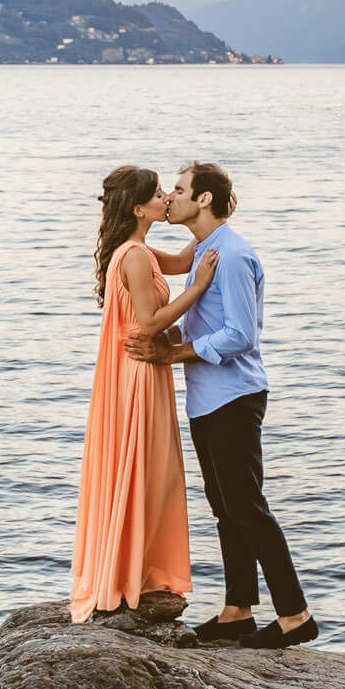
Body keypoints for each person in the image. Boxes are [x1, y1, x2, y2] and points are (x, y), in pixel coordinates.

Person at [126, 161, 316, 648]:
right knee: (225, 508)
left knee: (248, 508)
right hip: (208, 399)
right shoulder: (205, 250)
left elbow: (239, 335)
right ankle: (237, 609)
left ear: (204, 199)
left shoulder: (228, 256)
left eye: (180, 189)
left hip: (235, 396)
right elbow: (203, 317)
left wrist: (172, 353)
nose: (172, 195)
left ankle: (295, 615)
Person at [70, 165, 218, 623]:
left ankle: (138, 566)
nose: (165, 199)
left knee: (148, 471)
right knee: (145, 470)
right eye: (158, 194)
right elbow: (150, 323)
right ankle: (129, 572)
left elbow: (177, 260)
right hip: (137, 373)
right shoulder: (132, 256)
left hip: (137, 369)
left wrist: (213, 221)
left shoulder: (137, 250)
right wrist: (198, 289)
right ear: (139, 208)